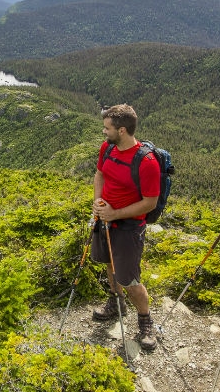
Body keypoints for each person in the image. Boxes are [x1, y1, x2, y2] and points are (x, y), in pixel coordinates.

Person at [90, 104, 160, 351]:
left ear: (122, 130)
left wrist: (115, 213)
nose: (103, 132)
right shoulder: (107, 148)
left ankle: (145, 322)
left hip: (129, 226)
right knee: (110, 262)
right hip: (106, 220)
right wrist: (98, 202)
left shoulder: (147, 162)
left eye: (107, 128)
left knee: (129, 277)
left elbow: (149, 203)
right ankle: (116, 302)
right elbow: (100, 174)